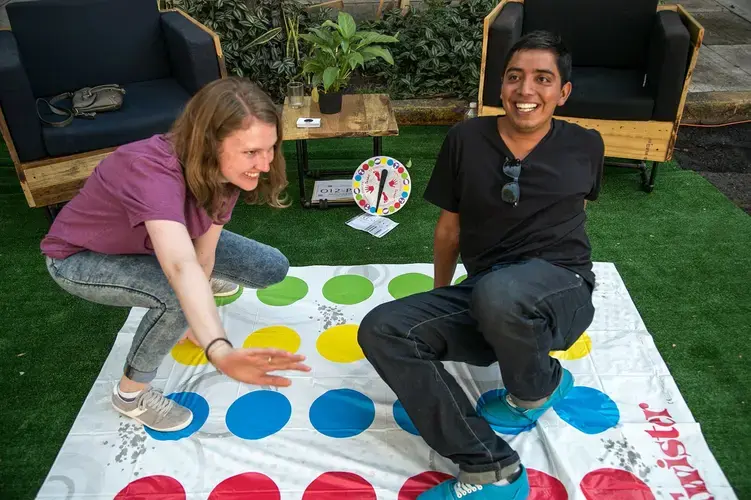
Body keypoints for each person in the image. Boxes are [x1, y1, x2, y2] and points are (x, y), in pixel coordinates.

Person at [358, 31, 604, 500]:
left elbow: (578, 214)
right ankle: (489, 466)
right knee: (382, 329)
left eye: (542, 79)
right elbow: (449, 229)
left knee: (500, 293)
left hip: (563, 287)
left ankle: (537, 388)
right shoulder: (465, 139)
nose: (526, 90)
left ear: (563, 92)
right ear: (500, 87)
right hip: (488, 293)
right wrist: (438, 297)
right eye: (515, 77)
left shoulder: (586, 144)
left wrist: (524, 290)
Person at [41, 77, 311, 433]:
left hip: (165, 241)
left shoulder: (225, 171)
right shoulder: (148, 170)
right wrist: (219, 348)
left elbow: (202, 253)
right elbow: (182, 267)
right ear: (209, 143)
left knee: (271, 267)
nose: (264, 165)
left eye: (270, 148)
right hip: (79, 258)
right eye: (250, 152)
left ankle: (190, 297)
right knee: (175, 296)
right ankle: (130, 395)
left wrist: (198, 300)